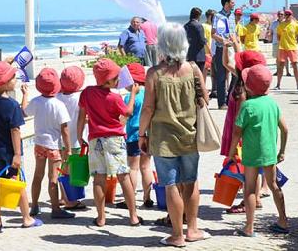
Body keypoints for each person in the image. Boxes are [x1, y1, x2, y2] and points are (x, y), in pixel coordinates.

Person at [138, 23, 210, 247]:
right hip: (190, 134)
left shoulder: (154, 74)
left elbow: (148, 108)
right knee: (190, 182)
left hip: (163, 138)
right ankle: (193, 229)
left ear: (162, 44)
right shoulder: (193, 69)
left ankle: (177, 235)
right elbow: (205, 99)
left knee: (170, 185)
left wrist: (142, 134)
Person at [77, 58, 142, 227]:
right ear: (108, 80)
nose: (119, 80)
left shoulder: (87, 93)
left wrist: (79, 135)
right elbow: (127, 112)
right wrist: (133, 94)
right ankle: (133, 216)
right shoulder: (114, 98)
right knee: (123, 177)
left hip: (95, 139)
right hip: (114, 139)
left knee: (98, 179)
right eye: (116, 78)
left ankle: (101, 217)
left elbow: (81, 114)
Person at [228, 64, 289, 237]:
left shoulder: (247, 106)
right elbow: (285, 129)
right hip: (270, 153)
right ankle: (283, 221)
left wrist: (232, 152)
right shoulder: (272, 103)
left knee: (249, 189)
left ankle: (249, 227)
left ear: (248, 86)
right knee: (274, 185)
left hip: (251, 154)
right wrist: (282, 151)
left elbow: (236, 133)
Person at [0, 61, 42, 230]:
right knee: (18, 183)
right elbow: (15, 131)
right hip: (10, 151)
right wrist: (17, 154)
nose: (16, 80)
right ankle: (26, 218)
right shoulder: (12, 105)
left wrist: (5, 65)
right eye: (13, 77)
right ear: (4, 83)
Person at [219, 45, 269, 213]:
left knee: (248, 168)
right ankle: (256, 198)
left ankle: (251, 200)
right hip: (239, 129)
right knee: (252, 168)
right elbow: (226, 63)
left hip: (240, 131)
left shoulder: (246, 89)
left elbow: (242, 117)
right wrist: (226, 47)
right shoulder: (245, 79)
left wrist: (236, 141)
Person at [23, 68, 74, 219]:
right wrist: (68, 149)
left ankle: (35, 206)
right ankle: (55, 208)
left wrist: (25, 95)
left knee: (37, 175)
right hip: (53, 146)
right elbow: (64, 130)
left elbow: (25, 111)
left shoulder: (36, 101)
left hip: (39, 143)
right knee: (53, 177)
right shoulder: (58, 105)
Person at [119, 62, 153, 209]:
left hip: (133, 135)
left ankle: (130, 198)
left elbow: (125, 116)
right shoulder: (150, 93)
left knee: (133, 168)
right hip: (148, 134)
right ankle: (147, 197)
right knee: (146, 167)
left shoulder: (130, 97)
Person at [58, 66, 88, 210]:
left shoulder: (57, 97)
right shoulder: (79, 98)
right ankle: (71, 199)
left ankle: (63, 197)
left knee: (63, 168)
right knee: (73, 171)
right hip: (76, 139)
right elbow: (84, 117)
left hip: (60, 140)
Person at [212, 0, 236, 109]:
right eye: (232, 2)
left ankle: (229, 98)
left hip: (232, 49)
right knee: (221, 77)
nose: (234, 4)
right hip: (221, 48)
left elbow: (234, 33)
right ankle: (222, 103)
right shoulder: (218, 16)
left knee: (236, 74)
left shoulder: (232, 16)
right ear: (226, 3)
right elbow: (213, 34)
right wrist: (223, 40)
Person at [275, 10, 298, 91]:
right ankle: (278, 84)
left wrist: (295, 42)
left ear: (291, 15)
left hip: (292, 47)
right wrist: (281, 42)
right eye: (286, 14)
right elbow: (278, 35)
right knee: (281, 66)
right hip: (282, 47)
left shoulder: (295, 25)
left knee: (295, 65)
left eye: (288, 14)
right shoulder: (281, 25)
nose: (287, 16)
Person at [267, 11, 291, 77]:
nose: (280, 15)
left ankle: (287, 72)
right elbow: (270, 32)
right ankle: (278, 71)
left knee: (285, 58)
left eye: (282, 14)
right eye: (279, 14)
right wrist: (269, 36)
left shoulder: (286, 23)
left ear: (284, 15)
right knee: (277, 58)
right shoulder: (274, 23)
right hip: (276, 42)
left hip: (285, 42)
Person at [184, 7, 207, 74]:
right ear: (198, 16)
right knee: (199, 75)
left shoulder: (186, 26)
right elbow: (202, 40)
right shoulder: (198, 26)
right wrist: (206, 40)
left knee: (191, 75)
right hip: (199, 56)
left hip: (190, 54)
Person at [203, 9, 216, 97]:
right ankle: (203, 88)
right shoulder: (204, 26)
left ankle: (213, 89)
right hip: (207, 52)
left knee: (213, 72)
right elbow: (204, 39)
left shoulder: (213, 26)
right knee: (205, 70)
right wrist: (209, 50)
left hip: (215, 51)